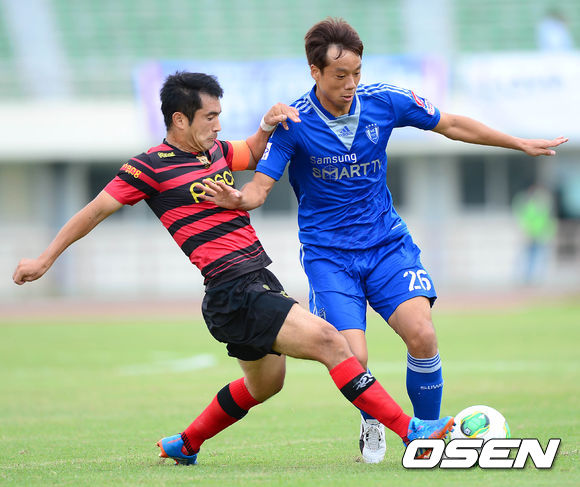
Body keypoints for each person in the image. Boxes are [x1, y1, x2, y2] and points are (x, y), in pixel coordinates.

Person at [12, 71, 454, 466]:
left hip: (256, 281)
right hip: (234, 289)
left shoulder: (217, 152)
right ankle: (411, 431)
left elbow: (254, 151)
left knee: (266, 385)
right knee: (331, 342)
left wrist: (267, 123)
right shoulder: (148, 167)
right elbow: (94, 210)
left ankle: (186, 443)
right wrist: (45, 258)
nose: (218, 125)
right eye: (210, 117)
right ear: (179, 120)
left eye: (220, 116)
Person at [197, 18, 569, 464]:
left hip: (387, 245)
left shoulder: (385, 101)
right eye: (340, 75)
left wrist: (518, 143)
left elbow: (451, 124)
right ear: (315, 72)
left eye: (357, 72)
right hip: (329, 257)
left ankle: (427, 438)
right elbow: (259, 189)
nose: (351, 83)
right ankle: (371, 419)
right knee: (353, 357)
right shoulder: (294, 123)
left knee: (422, 334)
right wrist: (237, 199)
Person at [512, 184, 557, 285]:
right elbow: (525, 221)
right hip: (531, 236)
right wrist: (526, 233)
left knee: (541, 257)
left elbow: (548, 221)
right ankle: (526, 277)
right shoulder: (531, 206)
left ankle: (537, 278)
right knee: (529, 257)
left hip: (541, 236)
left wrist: (549, 233)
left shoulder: (543, 207)